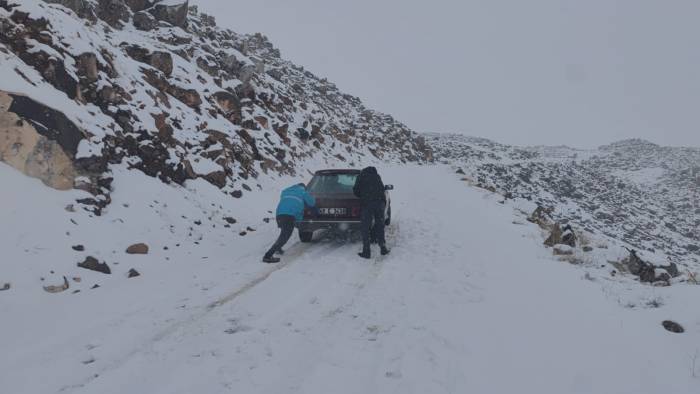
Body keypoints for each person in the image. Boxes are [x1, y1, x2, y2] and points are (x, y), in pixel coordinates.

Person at [263, 183, 317, 263]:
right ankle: (268, 256)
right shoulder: (303, 192)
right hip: (289, 216)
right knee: (285, 236)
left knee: (283, 233)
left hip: (279, 214)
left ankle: (278, 248)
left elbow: (289, 202)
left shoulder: (286, 191)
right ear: (304, 188)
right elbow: (312, 203)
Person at [353, 166, 390, 259]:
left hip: (367, 204)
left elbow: (356, 191)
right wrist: (383, 203)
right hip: (379, 204)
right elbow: (382, 190)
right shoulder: (377, 176)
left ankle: (366, 251)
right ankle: (383, 248)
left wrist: (363, 195)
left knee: (365, 227)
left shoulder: (361, 176)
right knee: (380, 225)